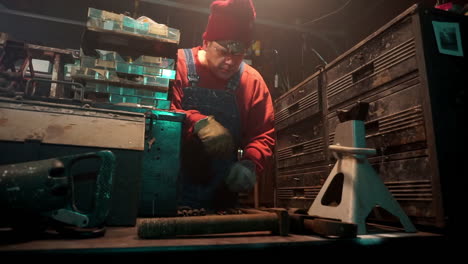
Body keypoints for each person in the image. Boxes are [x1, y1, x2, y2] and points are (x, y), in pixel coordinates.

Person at [170, 0, 275, 212]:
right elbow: (161, 112)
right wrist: (196, 123)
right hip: (169, 195)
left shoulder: (252, 81)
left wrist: (250, 163)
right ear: (207, 42)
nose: (229, 61)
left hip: (222, 204)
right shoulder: (177, 63)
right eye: (223, 50)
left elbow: (262, 134)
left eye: (237, 53)